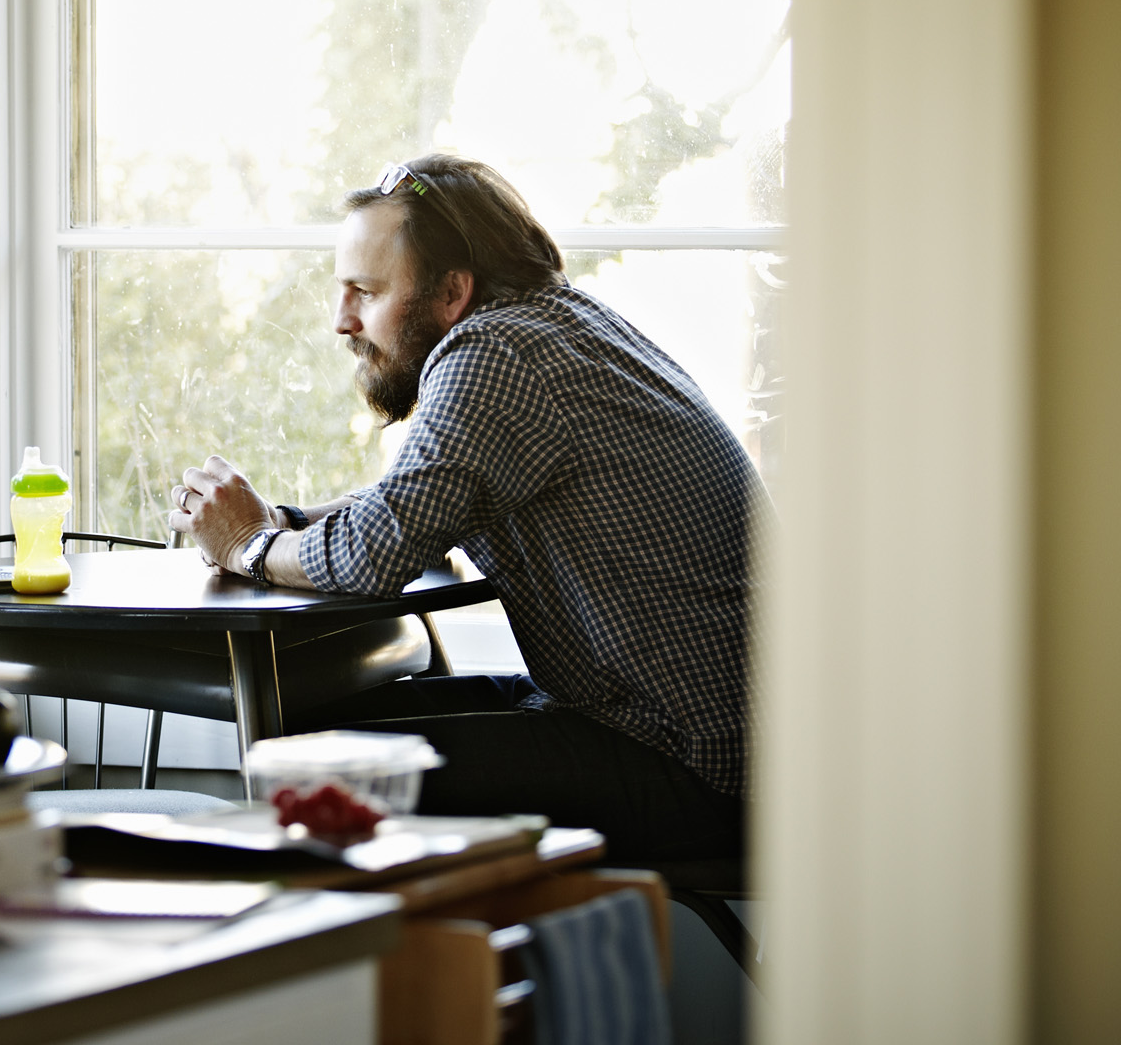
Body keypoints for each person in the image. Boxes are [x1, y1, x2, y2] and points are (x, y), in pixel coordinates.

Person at [170, 154, 766, 861]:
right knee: (322, 738)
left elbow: (374, 552)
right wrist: (290, 523)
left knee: (321, 771)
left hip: (695, 761)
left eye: (365, 290)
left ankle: (427, 968)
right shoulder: (560, 325)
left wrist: (247, 545)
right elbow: (423, 495)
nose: (342, 320)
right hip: (687, 729)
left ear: (452, 291)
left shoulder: (495, 354)